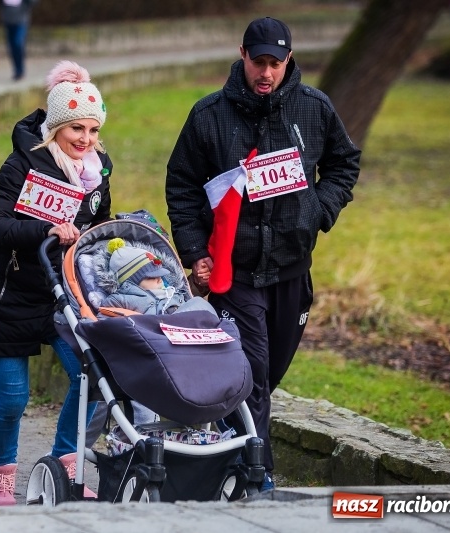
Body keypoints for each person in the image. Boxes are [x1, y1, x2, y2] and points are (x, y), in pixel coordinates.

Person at [165, 17, 361, 491]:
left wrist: (317, 209)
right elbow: (183, 185)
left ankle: (225, 450)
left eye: (275, 62)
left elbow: (344, 163)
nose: (266, 72)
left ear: (288, 60)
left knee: (267, 374)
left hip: (293, 268)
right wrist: (195, 252)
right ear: (243, 55)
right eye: (259, 62)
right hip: (237, 273)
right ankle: (257, 476)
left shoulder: (313, 108)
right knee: (250, 373)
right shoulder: (208, 115)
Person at [0, 60, 111, 506]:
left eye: (92, 129)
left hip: (64, 298)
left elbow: (97, 227)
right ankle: (1, 475)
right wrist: (44, 229)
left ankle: (65, 468)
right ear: (56, 128)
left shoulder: (98, 173)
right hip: (10, 295)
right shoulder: (23, 164)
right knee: (13, 398)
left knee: (91, 375)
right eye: (76, 130)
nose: (85, 140)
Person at [100, 238, 187, 315]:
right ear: (131, 283)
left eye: (160, 274)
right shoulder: (121, 300)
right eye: (152, 277)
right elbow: (103, 321)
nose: (159, 279)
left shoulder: (171, 292)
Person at [0, 0, 38, 80]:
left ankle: (20, 69)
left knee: (18, 43)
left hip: (21, 19)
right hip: (8, 19)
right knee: (11, 46)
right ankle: (17, 70)